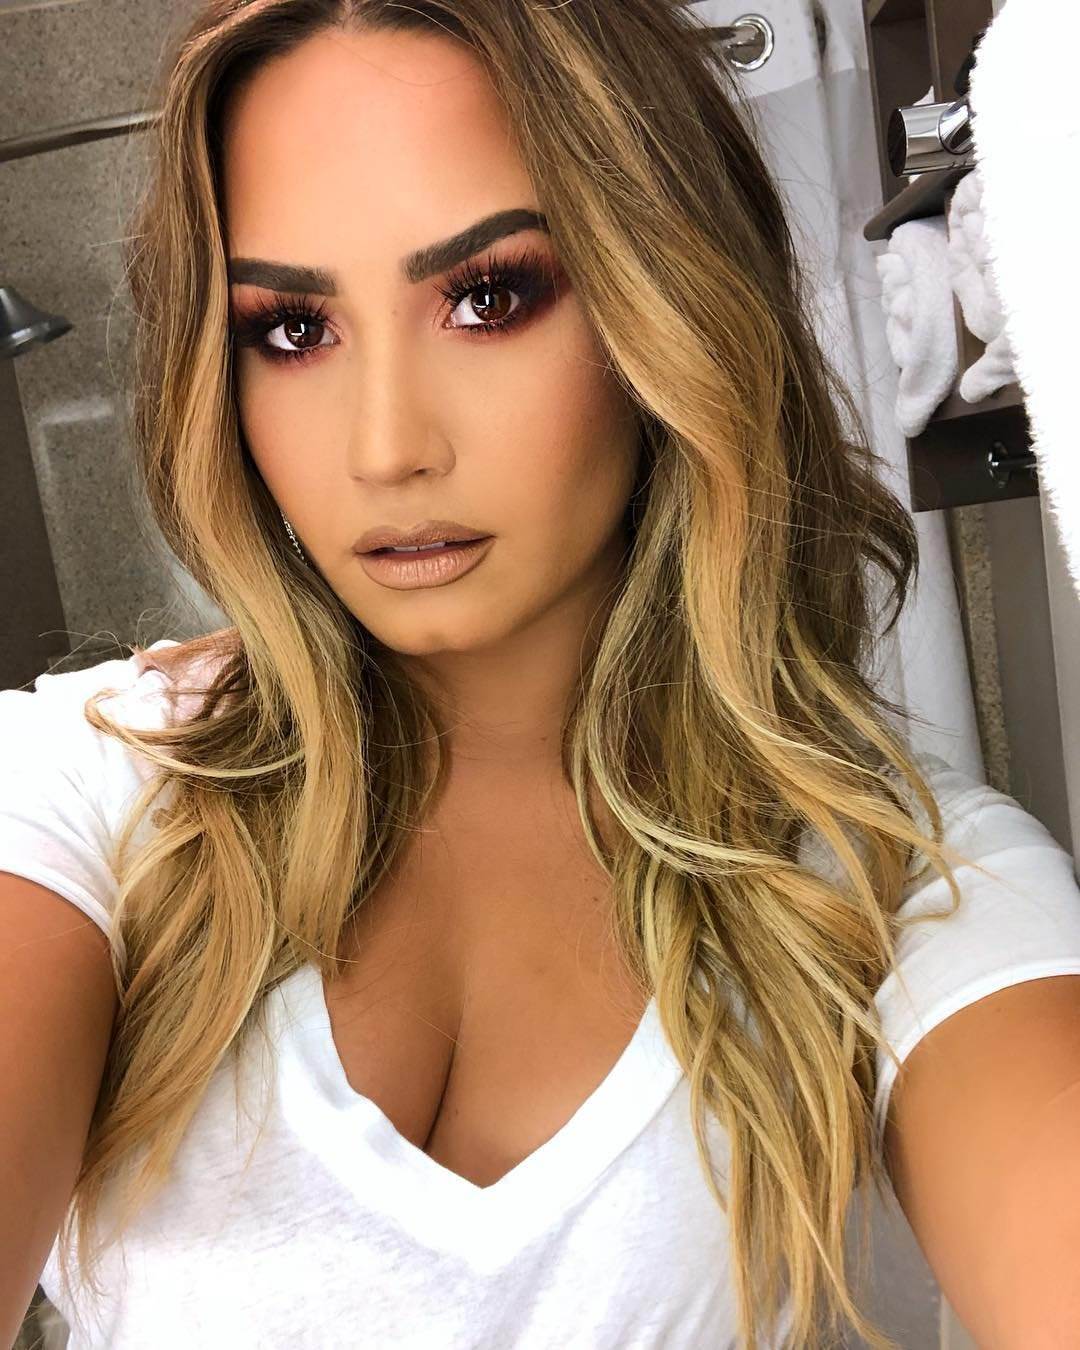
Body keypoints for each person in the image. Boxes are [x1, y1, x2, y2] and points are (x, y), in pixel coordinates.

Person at [3, 2, 1080, 1348]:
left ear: (663, 304)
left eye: (488, 298)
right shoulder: (87, 794)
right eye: (292, 329)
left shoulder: (899, 885)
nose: (387, 447)